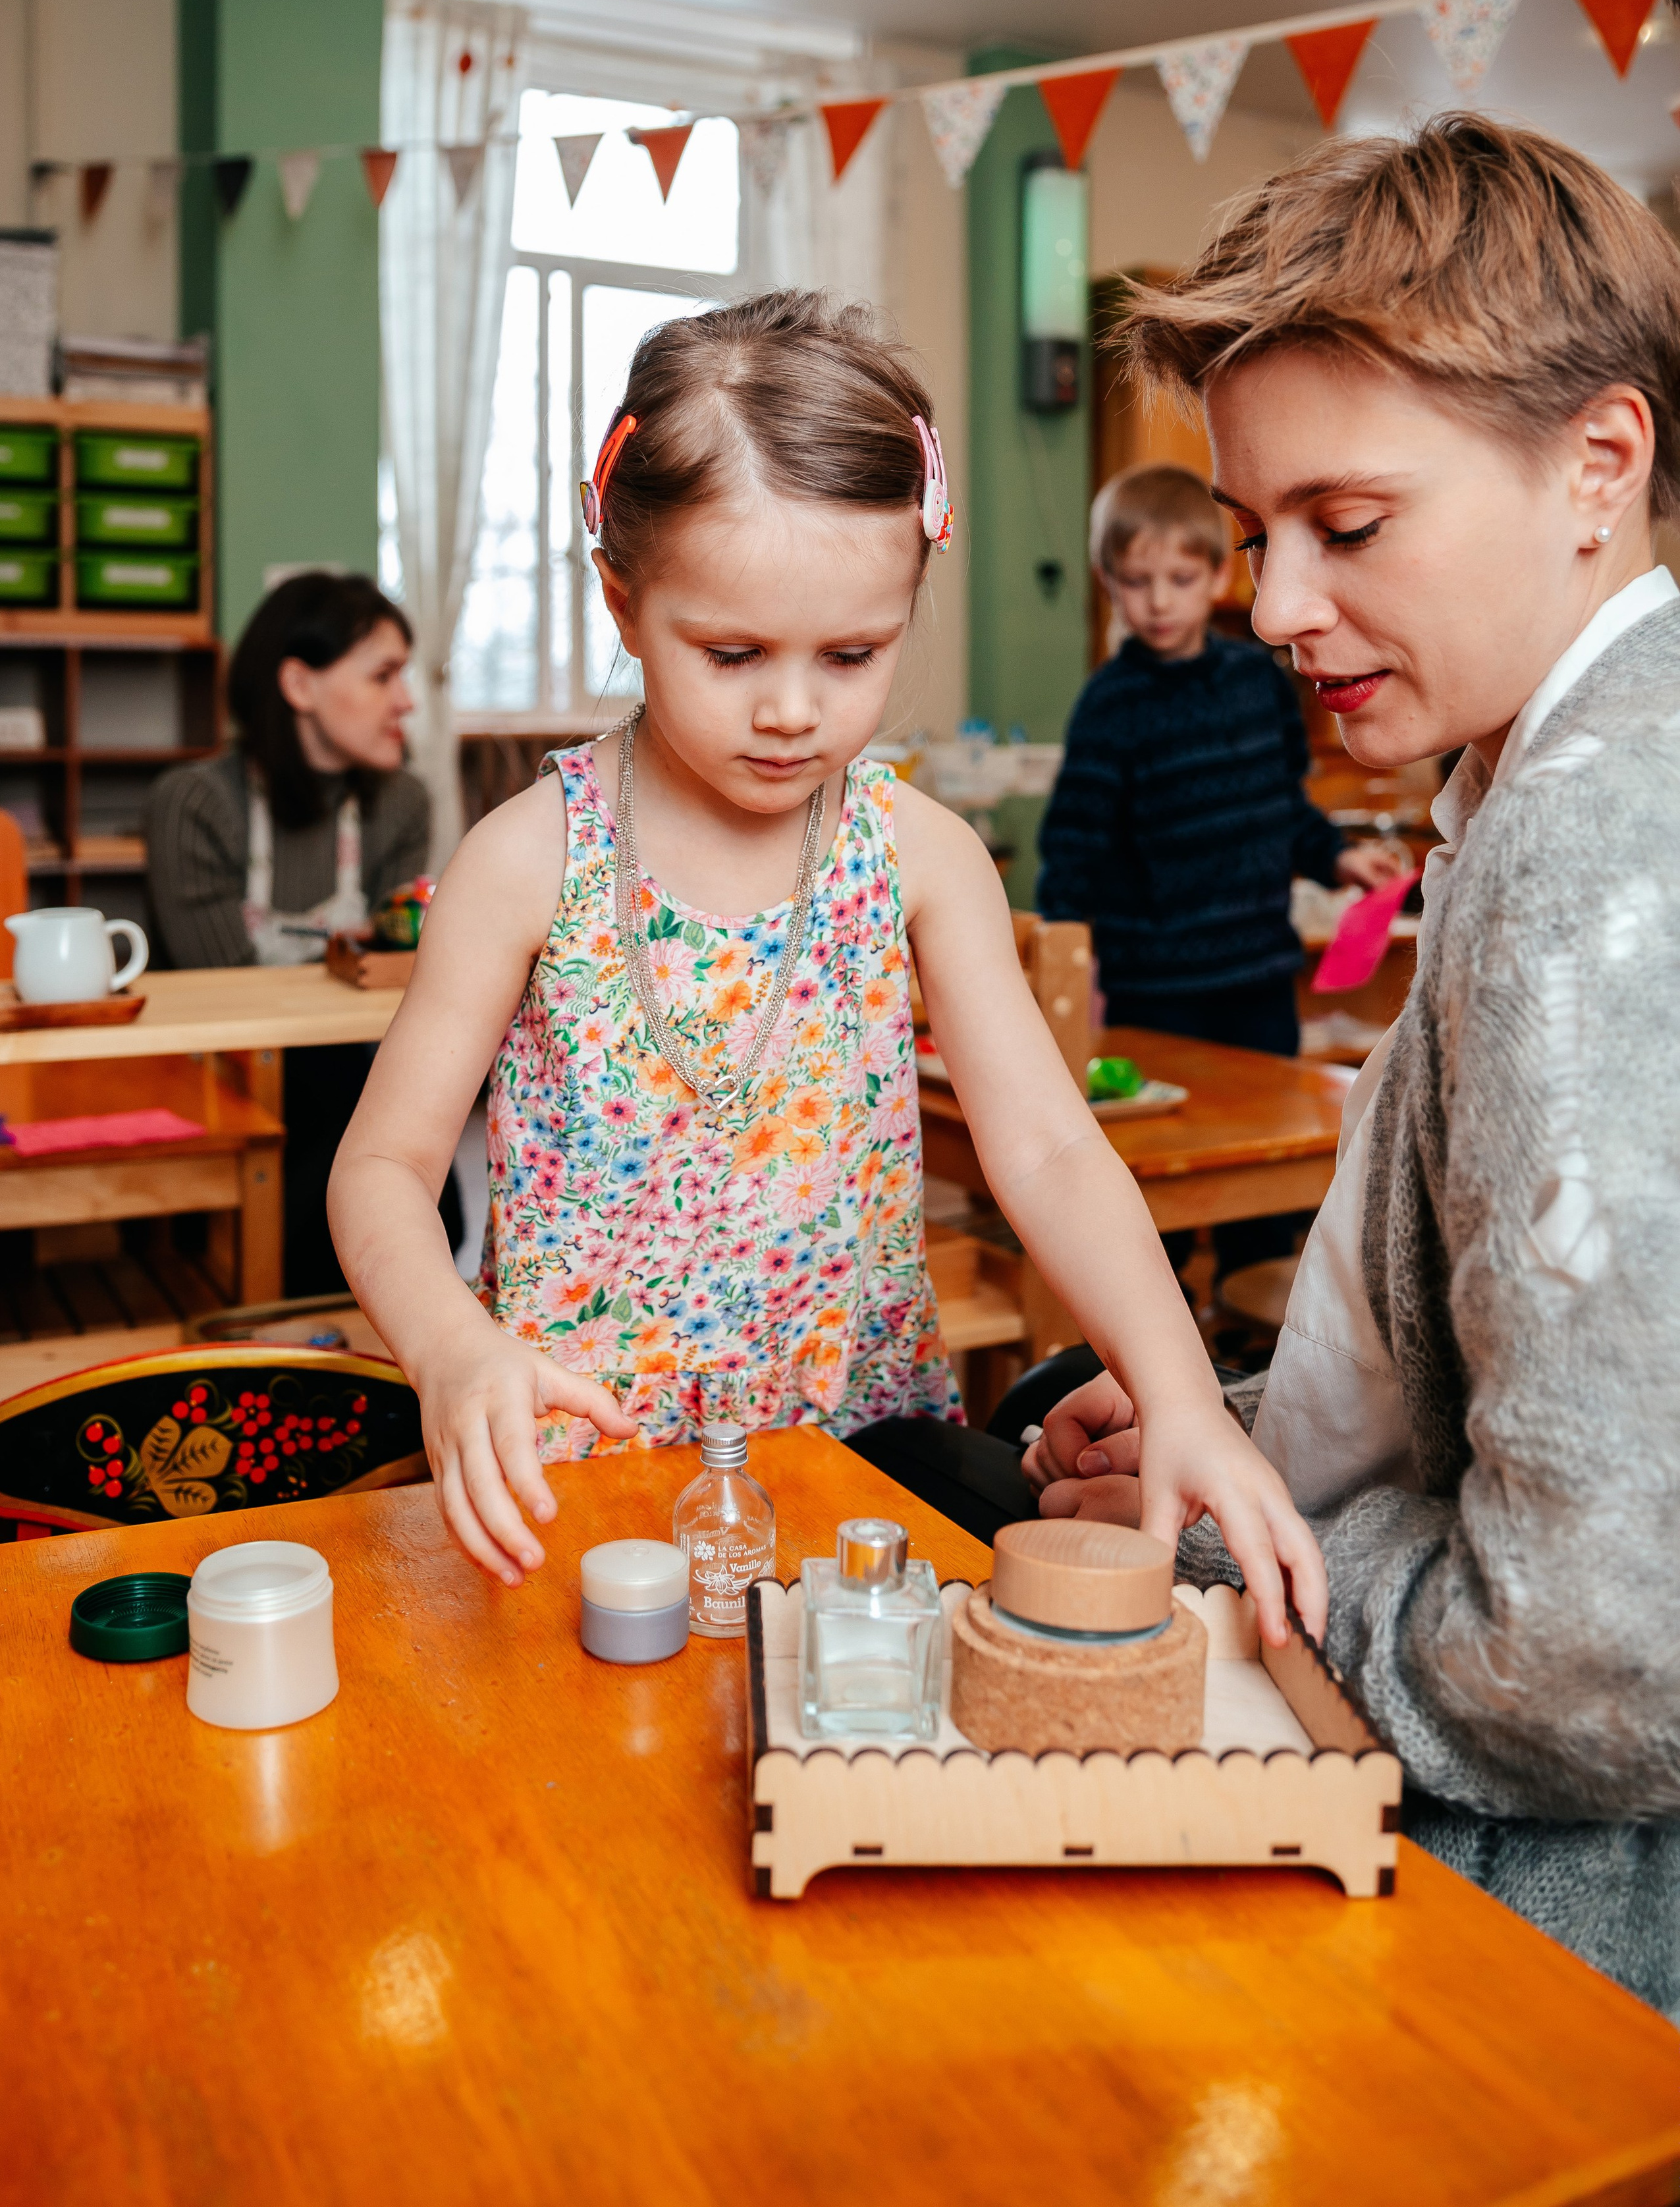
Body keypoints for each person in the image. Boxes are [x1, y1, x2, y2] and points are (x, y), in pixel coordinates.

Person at [327, 290, 1322, 1649]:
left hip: (852, 1479)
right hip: (580, 1475)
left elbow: (1045, 1152)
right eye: (730, 654)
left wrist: (1185, 1396)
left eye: (852, 654)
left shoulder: (915, 855)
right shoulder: (529, 860)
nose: (794, 708)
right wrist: (450, 1348)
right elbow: (378, 1169)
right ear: (624, 596)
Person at [1028, 115, 1680, 2015]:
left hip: (1560, 1968)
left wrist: (1261, 1544)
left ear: (1597, 463)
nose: (1274, 606)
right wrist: (1231, 1423)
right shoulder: (1529, 777)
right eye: (1251, 537)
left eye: (1351, 526)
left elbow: (1598, 1644)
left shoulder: (1588, 848)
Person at [1036, 460, 1405, 1278]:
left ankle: (1248, 1356)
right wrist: (1066, 972)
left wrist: (1338, 857)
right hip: (1149, 998)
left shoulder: (1258, 683)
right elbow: (1073, 853)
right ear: (1109, 585)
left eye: (1179, 577)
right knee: (1152, 1197)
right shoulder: (1110, 705)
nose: (1158, 601)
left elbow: (1281, 810)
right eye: (1136, 582)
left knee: (1262, 1200)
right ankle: (1152, 1360)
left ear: (1219, 572)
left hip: (1256, 986)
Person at [146, 570, 450, 1295]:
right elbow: (227, 997)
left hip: (354, 1072)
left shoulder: (401, 803)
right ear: (299, 684)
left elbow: (395, 979)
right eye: (383, 676)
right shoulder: (192, 804)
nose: (406, 702)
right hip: (233, 1079)